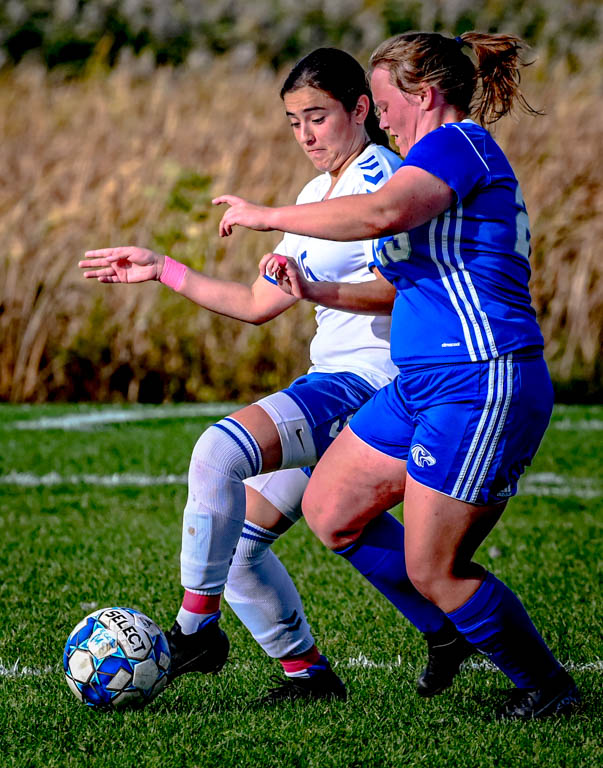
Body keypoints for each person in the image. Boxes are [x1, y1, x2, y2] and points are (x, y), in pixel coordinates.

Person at [80, 48, 472, 704]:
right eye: (293, 123)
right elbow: (260, 305)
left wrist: (316, 288)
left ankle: (193, 631)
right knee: (235, 545)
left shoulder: (383, 180)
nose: (306, 135)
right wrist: (161, 269)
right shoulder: (314, 195)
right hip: (332, 380)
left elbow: (408, 291)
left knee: (216, 452)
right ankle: (310, 675)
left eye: (317, 116)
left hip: (373, 384)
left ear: (360, 110)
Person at [214, 32, 581, 719]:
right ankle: (447, 630)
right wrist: (319, 293)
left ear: (423, 95)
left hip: (480, 380)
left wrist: (266, 215)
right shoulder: (430, 161)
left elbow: (379, 213)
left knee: (433, 566)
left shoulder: (453, 143)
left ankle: (547, 687)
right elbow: (403, 277)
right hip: (422, 384)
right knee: (330, 511)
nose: (378, 118)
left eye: (382, 102)